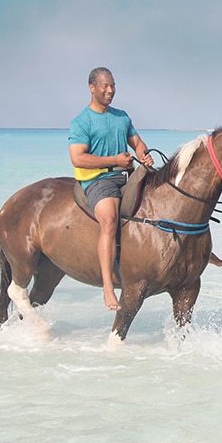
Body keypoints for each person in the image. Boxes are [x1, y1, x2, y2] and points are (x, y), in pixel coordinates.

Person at [69, 67, 154, 312]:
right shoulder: (81, 121)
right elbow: (78, 158)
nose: (110, 91)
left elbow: (137, 143)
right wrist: (115, 161)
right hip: (98, 180)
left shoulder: (121, 117)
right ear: (92, 88)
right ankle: (108, 286)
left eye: (113, 86)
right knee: (108, 220)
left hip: (126, 174)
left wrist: (143, 155)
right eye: (105, 86)